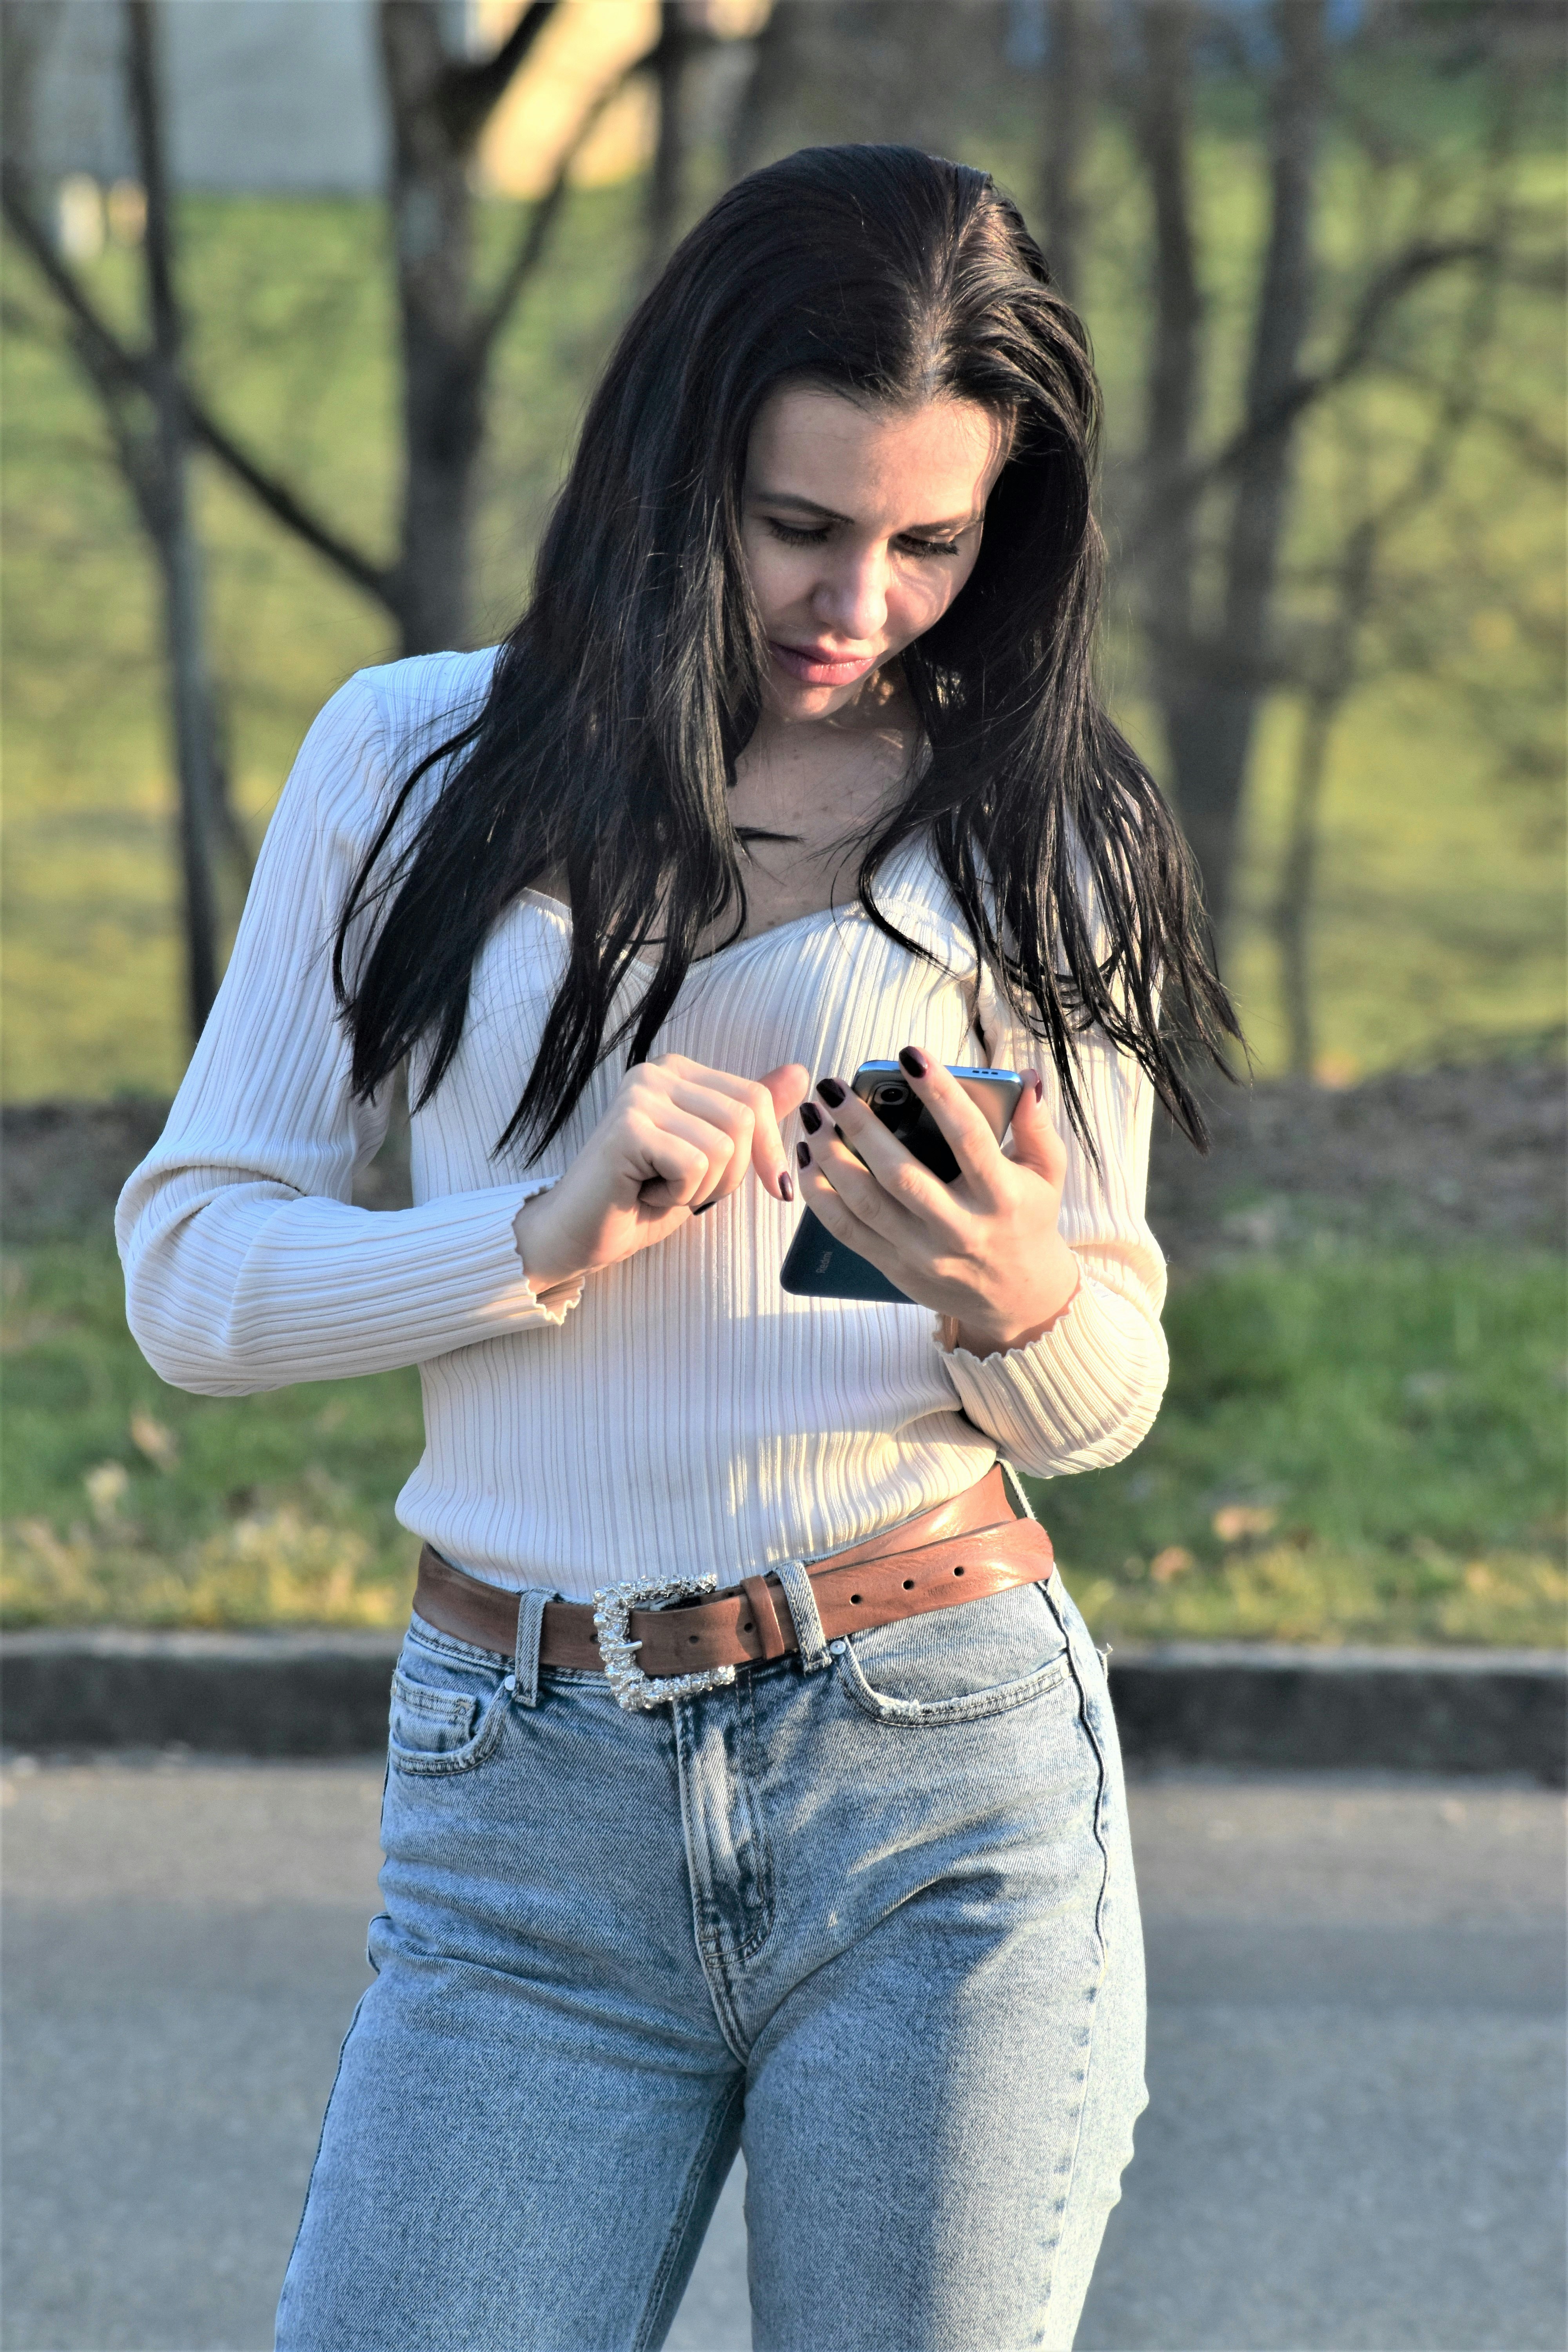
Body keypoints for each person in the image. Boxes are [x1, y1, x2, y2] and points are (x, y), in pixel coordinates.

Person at [118, 144, 1235, 2352]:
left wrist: (1015, 1298)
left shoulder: (1050, 826)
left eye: (933, 543)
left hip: (936, 1785)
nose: (860, 604)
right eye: (800, 523)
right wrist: (525, 1242)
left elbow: (1105, 1389)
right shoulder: (415, 762)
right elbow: (189, 1281)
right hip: (520, 1809)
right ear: (673, 471)